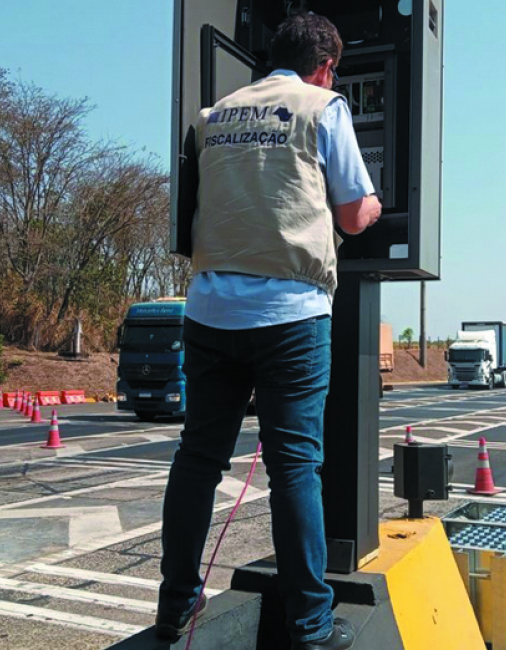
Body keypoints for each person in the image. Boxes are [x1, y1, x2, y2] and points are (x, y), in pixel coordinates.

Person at [156, 12, 381, 650]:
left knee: (198, 459)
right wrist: (372, 205)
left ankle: (175, 605)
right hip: (290, 312)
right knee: (295, 469)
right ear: (326, 65)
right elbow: (351, 213)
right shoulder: (324, 107)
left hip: (207, 310)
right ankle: (311, 623)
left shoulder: (213, 114)